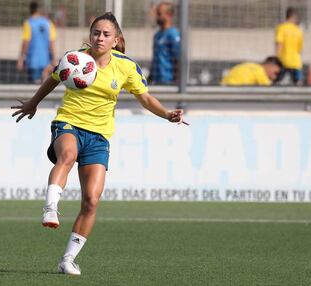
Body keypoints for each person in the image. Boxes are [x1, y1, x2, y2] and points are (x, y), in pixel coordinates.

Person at [11, 12, 185, 276]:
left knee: (91, 200)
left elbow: (146, 99)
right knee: (67, 156)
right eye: (96, 33)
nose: (100, 38)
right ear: (90, 35)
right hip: (68, 122)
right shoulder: (76, 58)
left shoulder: (126, 67)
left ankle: (68, 259)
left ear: (116, 40)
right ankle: (50, 208)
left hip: (99, 136)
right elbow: (53, 79)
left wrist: (167, 114)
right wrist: (33, 102)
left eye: (106, 34)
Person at [17, 1, 57, 84]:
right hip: (46, 62)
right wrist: (54, 59)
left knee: (34, 90)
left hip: (33, 62)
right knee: (44, 88)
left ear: (30, 10)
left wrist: (21, 59)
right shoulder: (48, 23)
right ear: (39, 10)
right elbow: (52, 43)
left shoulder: (28, 23)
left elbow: (26, 43)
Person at [149, 1, 180, 84]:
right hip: (156, 81)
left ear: (169, 15)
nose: (157, 17)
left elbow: (178, 60)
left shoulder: (173, 34)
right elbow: (155, 59)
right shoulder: (157, 35)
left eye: (159, 14)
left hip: (168, 82)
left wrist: (177, 82)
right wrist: (150, 77)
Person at [275, 7, 304, 85]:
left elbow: (279, 44)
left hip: (283, 62)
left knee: (277, 84)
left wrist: (276, 59)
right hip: (296, 63)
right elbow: (300, 50)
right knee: (298, 85)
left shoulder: (281, 28)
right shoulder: (298, 30)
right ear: (293, 17)